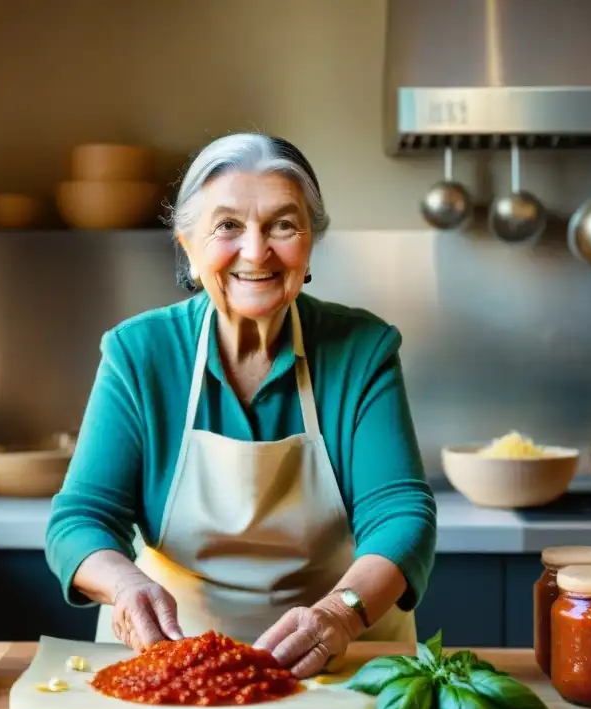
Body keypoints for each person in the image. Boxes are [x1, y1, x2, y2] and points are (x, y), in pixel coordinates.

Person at [44, 133, 437, 678]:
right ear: (187, 243)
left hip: (343, 661)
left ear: (310, 243)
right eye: (228, 226)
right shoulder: (139, 353)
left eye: (283, 225)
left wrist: (338, 616)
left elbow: (401, 514)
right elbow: (79, 520)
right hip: (173, 663)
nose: (256, 252)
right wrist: (126, 585)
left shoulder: (362, 349)